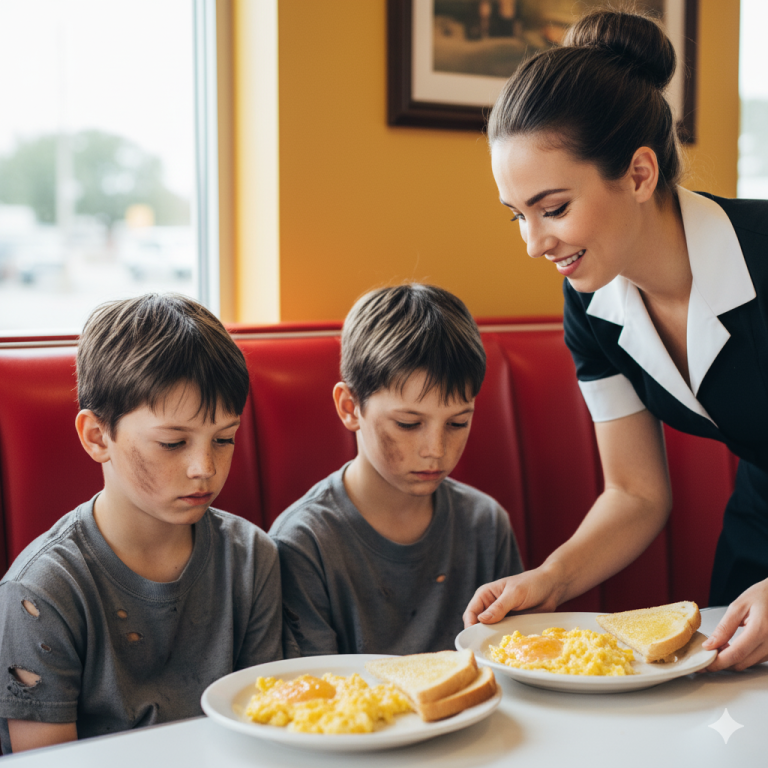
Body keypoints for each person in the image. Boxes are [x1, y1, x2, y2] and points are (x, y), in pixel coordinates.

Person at [463, 8, 768, 672]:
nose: (534, 243)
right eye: (518, 216)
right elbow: (635, 492)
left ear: (638, 174)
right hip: (758, 544)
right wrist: (552, 578)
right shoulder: (591, 304)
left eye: (555, 208)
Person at [0, 294, 282, 754]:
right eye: (173, 443)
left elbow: (268, 729)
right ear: (97, 436)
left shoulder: (253, 557)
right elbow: (46, 762)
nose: (204, 468)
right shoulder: (41, 593)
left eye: (224, 438)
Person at [270, 283, 522, 656]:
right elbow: (315, 701)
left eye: (457, 423)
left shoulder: (486, 524)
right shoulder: (304, 543)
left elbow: (511, 662)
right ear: (350, 408)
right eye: (407, 424)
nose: (435, 451)